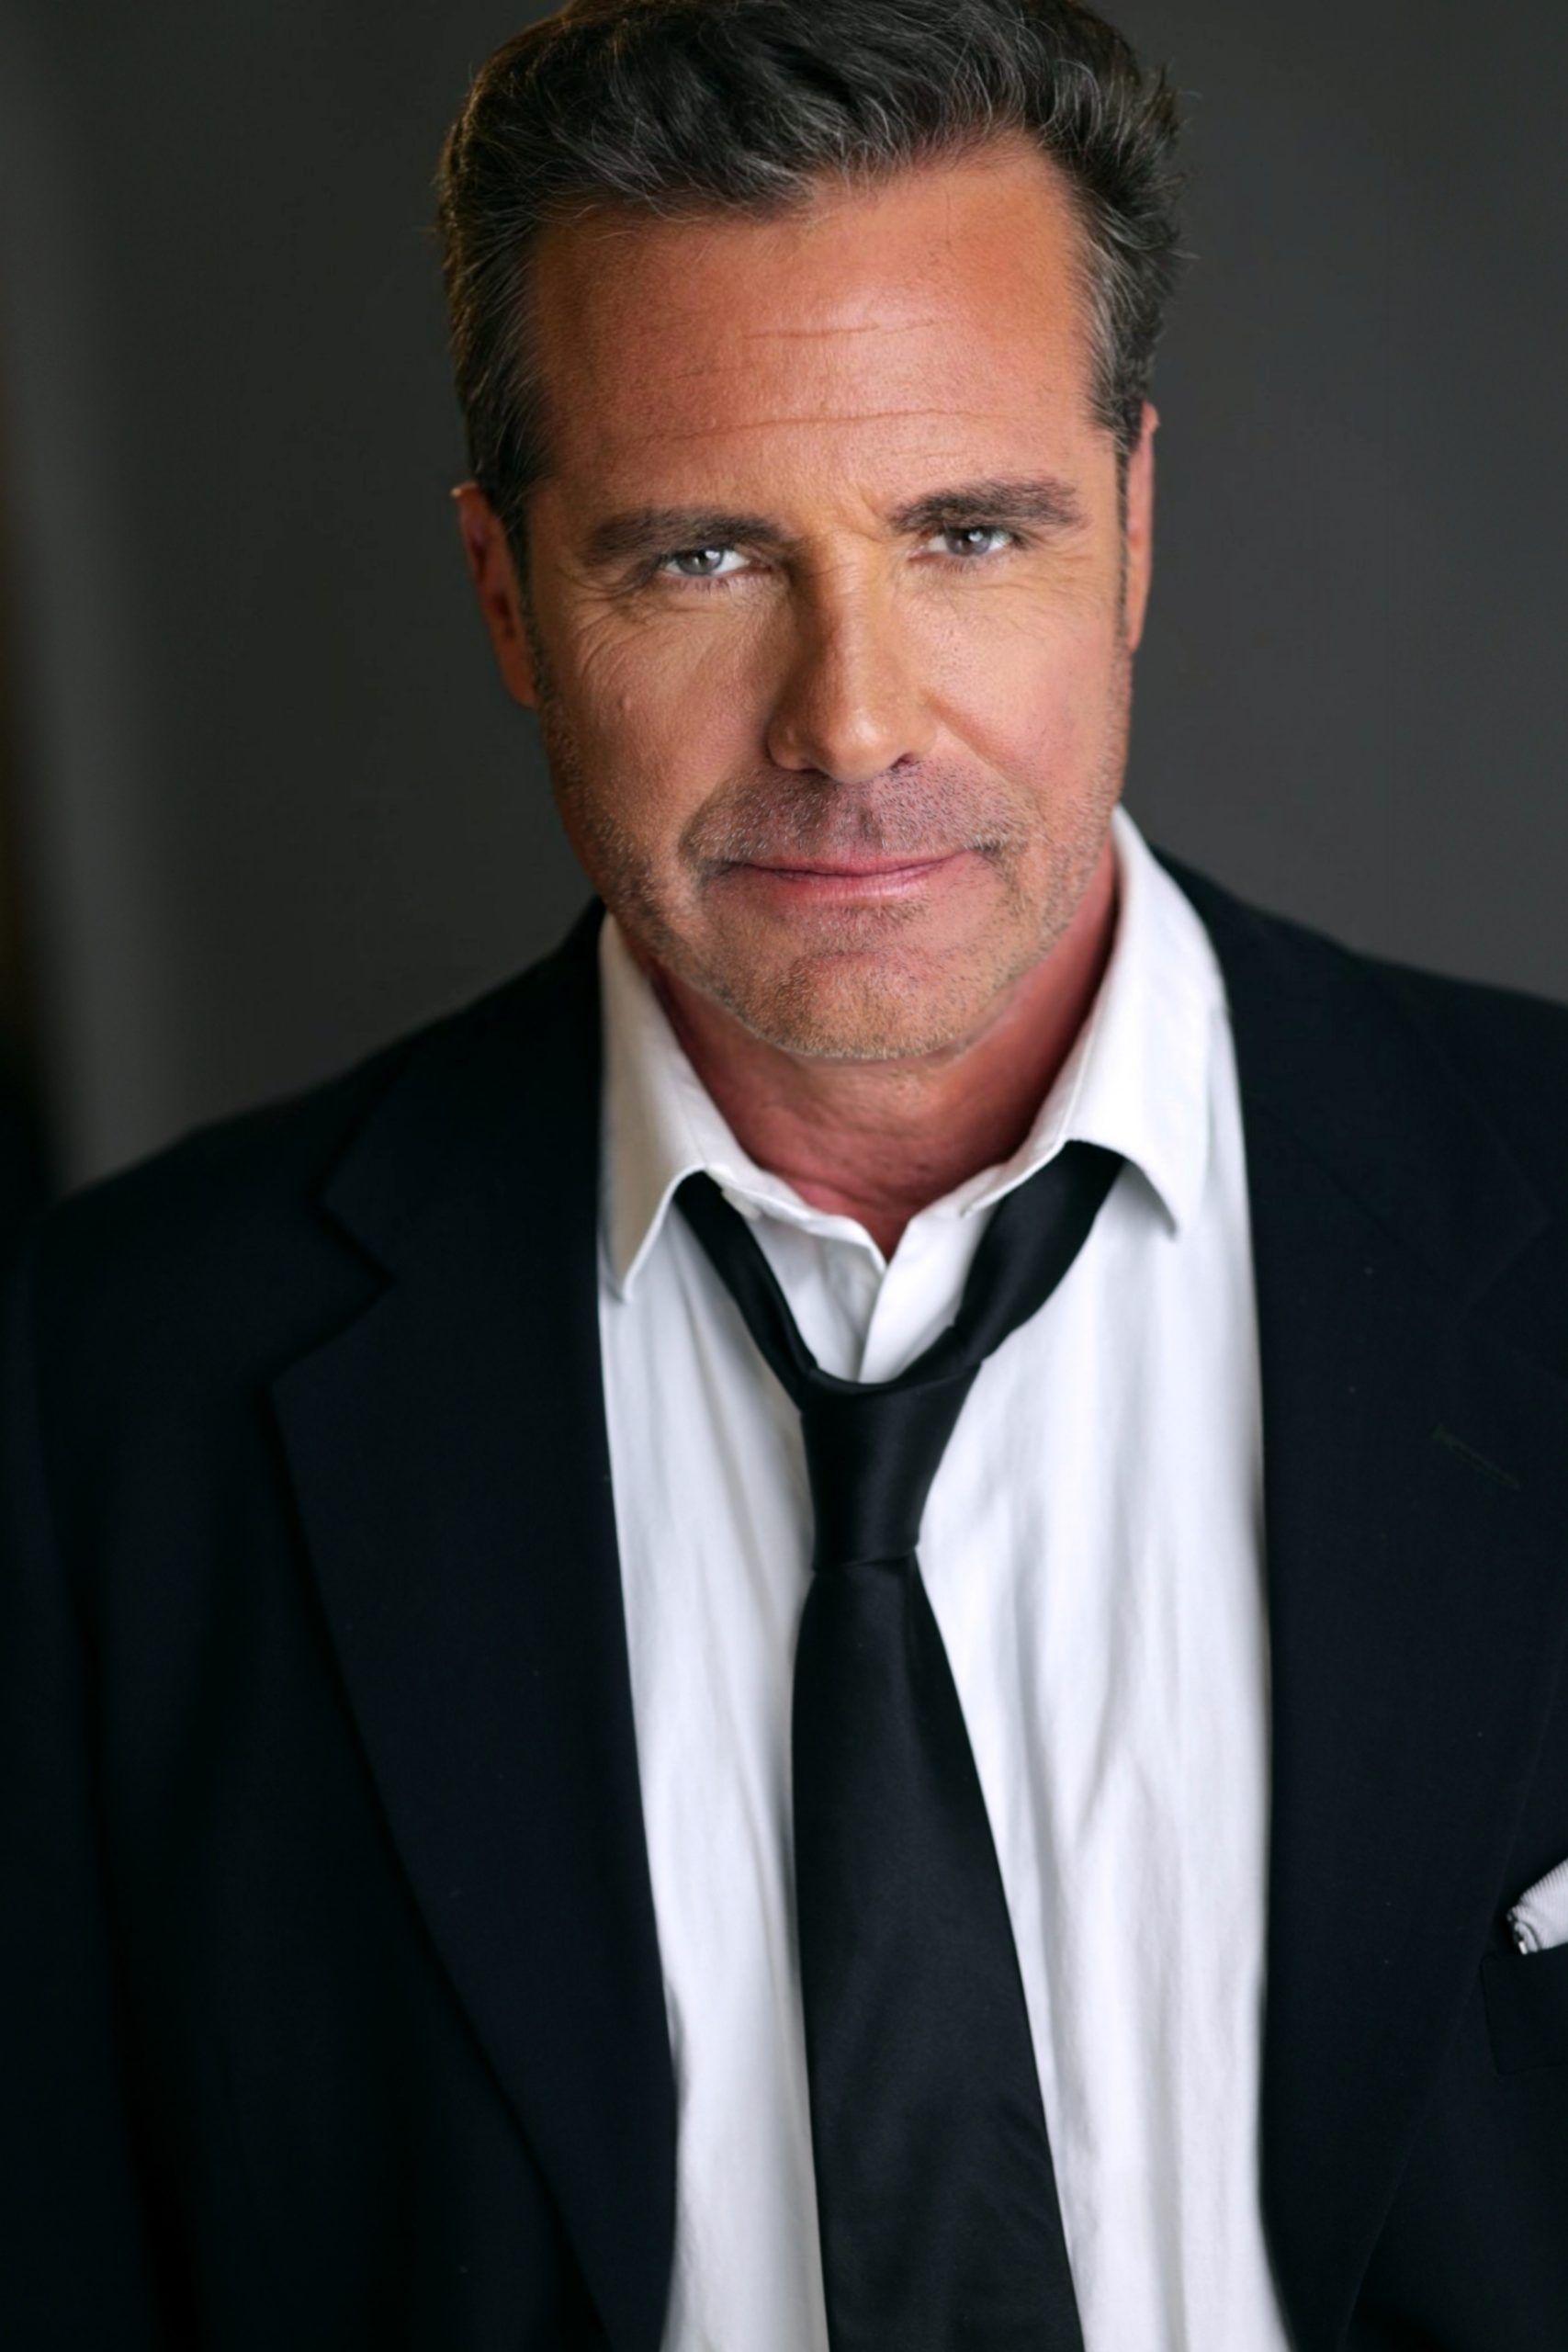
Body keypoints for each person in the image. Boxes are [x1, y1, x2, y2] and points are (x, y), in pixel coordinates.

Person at [4, 0, 1568, 2345]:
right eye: (702, 555)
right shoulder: (108, 1396)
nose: (850, 720)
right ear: (505, 595)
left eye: (967, 531)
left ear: (1129, 532)